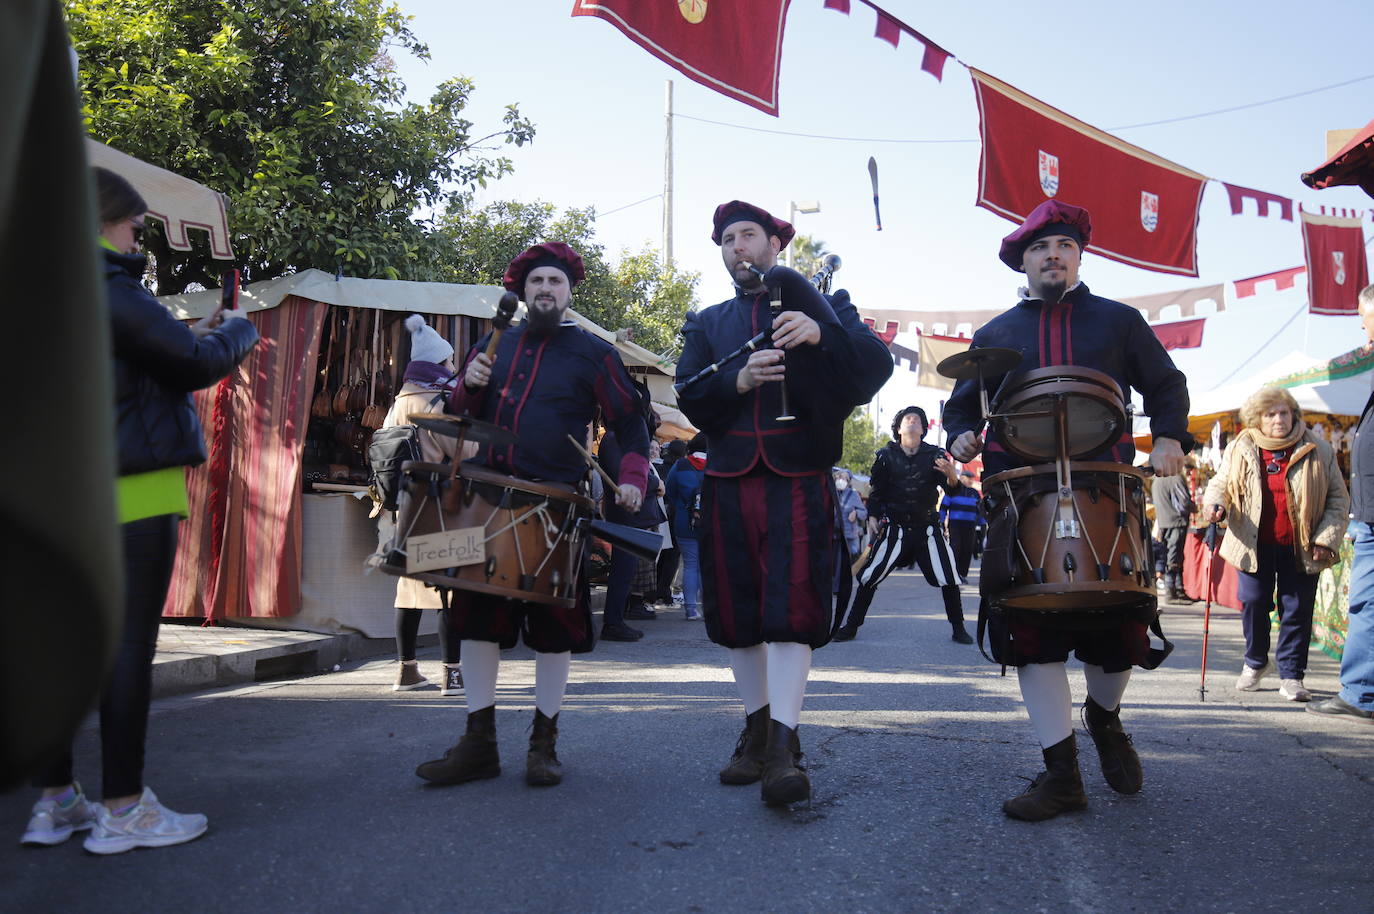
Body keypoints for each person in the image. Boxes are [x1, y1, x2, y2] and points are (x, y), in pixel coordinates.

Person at [20, 167, 259, 852]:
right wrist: (236, 333)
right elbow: (187, 363)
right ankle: (123, 808)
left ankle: (55, 800)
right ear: (102, 221)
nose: (139, 238)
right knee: (125, 649)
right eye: (134, 224)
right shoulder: (107, 283)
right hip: (129, 490)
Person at [943, 199, 1192, 822]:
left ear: (1079, 256)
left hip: (1105, 488)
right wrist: (960, 437)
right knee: (1033, 637)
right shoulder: (995, 335)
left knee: (1121, 632)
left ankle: (1104, 716)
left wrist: (1168, 437)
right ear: (1022, 261)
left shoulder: (1119, 321)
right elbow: (959, 408)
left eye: (1063, 246)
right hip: (1023, 494)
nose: (1052, 255)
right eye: (1039, 248)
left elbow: (1167, 384)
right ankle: (1061, 775)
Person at [675, 200, 892, 806]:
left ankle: (784, 745)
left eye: (749, 235)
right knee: (738, 613)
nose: (737, 246)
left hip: (798, 475)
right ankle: (755, 729)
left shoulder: (826, 303)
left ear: (775, 245)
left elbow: (873, 369)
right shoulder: (708, 320)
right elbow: (690, 393)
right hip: (728, 479)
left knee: (793, 607)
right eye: (727, 239)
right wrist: (737, 381)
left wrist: (822, 333)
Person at [414, 242, 649, 788]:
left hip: (555, 505)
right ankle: (479, 744)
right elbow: (457, 418)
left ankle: (543, 745)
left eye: (556, 282)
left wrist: (633, 480)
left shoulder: (595, 354)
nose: (546, 289)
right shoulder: (496, 344)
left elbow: (631, 428)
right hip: (488, 499)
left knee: (554, 628)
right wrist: (467, 389)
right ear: (523, 291)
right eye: (537, 281)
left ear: (569, 293)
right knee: (474, 623)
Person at [1202, 387, 1349, 702]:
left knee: (1296, 610)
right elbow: (1221, 483)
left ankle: (1292, 675)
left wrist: (1325, 539)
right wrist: (1215, 502)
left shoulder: (1319, 448)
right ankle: (1255, 662)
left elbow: (1338, 499)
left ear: (1294, 414)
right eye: (1270, 414)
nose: (1279, 420)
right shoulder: (1242, 446)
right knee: (1253, 601)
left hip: (1301, 544)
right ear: (1258, 418)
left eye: (1284, 413)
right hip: (1253, 543)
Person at [839, 406, 971, 644]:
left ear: (923, 428)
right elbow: (877, 492)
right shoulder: (885, 456)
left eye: (917, 419)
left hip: (928, 528)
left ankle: (958, 628)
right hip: (894, 528)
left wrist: (952, 476)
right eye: (906, 418)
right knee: (869, 576)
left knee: (949, 576)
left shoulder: (935, 455)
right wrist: (872, 517)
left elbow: (951, 488)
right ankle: (850, 626)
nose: (912, 420)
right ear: (899, 428)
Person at [385, 315, 465, 695]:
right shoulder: (439, 400)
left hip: (405, 506)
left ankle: (406, 671)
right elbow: (465, 450)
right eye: (450, 361)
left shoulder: (400, 401)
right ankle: (452, 674)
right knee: (450, 589)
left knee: (408, 591)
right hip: (441, 505)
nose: (453, 367)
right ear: (439, 363)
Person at [1310, 283, 1374, 721]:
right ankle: (1360, 690)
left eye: (1366, 320)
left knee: (1366, 601)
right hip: (1367, 512)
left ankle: (1360, 692)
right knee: (1366, 601)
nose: (1365, 332)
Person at [599, 384, 668, 639]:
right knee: (622, 570)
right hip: (624, 515)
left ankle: (615, 620)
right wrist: (655, 483)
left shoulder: (621, 437)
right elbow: (622, 475)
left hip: (631, 515)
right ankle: (613, 622)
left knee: (626, 570)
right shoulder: (614, 438)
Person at [664, 434, 708, 621]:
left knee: (690, 565)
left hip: (684, 521)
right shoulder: (717, 463)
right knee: (708, 567)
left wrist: (683, 508)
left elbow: (670, 490)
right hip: (711, 521)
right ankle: (709, 608)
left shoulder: (680, 465)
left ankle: (691, 609)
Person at [1152, 467, 1199, 605]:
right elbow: (1184, 502)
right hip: (1176, 522)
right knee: (1174, 556)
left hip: (1163, 522)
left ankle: (1177, 589)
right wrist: (1193, 507)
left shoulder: (1157, 480)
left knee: (1172, 555)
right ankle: (1171, 592)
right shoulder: (1175, 478)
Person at [651, 439, 688, 606]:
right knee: (672, 557)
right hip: (674, 516)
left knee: (657, 554)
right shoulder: (681, 469)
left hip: (657, 515)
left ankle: (653, 591)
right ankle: (663, 591)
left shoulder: (657, 467)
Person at [939, 469, 982, 585]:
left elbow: (980, 509)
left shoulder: (974, 493)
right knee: (956, 547)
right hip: (956, 523)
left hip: (970, 524)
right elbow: (943, 507)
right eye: (969, 479)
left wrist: (982, 522)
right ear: (962, 478)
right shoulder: (952, 491)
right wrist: (941, 521)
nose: (971, 481)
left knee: (968, 549)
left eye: (972, 479)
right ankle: (953, 573)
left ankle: (962, 574)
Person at [833, 468, 867, 559]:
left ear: (848, 481)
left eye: (844, 478)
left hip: (850, 536)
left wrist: (856, 513)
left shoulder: (853, 494)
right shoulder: (831, 493)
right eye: (839, 477)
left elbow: (864, 513)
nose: (841, 480)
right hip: (833, 533)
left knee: (851, 560)